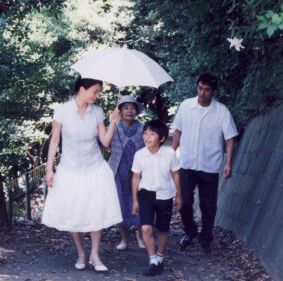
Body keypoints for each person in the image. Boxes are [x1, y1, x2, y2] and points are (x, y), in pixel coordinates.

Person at [41, 74, 123, 272]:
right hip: (70, 169)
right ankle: (81, 253)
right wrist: (49, 168)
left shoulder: (97, 112)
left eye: (98, 91)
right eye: (94, 91)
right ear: (81, 89)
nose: (96, 95)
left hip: (95, 167)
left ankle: (95, 255)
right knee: (73, 213)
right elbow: (54, 142)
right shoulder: (61, 111)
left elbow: (104, 141)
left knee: (96, 211)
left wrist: (113, 122)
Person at [172, 73, 238, 254]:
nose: (202, 93)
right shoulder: (186, 106)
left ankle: (206, 238)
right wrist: (171, 153)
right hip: (186, 162)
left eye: (207, 90)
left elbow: (230, 139)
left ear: (213, 91)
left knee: (208, 205)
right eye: (200, 88)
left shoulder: (222, 111)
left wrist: (228, 163)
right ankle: (190, 231)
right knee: (184, 202)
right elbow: (177, 131)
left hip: (210, 164)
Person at [131, 120, 182, 276]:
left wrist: (179, 195)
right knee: (146, 228)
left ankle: (160, 257)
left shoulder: (170, 154)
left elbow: (175, 174)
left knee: (163, 228)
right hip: (146, 194)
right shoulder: (139, 155)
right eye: (145, 133)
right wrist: (134, 200)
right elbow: (135, 177)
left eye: (152, 134)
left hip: (165, 195)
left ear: (161, 138)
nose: (147, 137)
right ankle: (152, 259)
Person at [108, 95, 146, 250]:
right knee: (120, 203)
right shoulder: (113, 127)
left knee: (140, 202)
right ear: (120, 111)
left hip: (139, 172)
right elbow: (103, 142)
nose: (129, 111)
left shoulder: (143, 128)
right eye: (125, 108)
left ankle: (140, 235)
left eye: (132, 107)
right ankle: (124, 239)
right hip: (118, 170)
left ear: (136, 110)